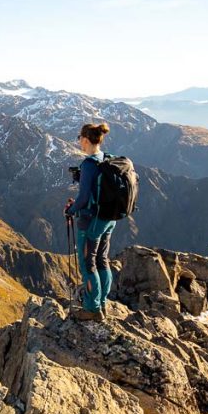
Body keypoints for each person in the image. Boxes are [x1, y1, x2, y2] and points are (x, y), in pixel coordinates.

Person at [64, 122, 116, 321]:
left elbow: (84, 198)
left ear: (85, 139)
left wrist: (71, 209)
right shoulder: (105, 158)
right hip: (109, 219)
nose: (79, 142)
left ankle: (92, 309)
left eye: (79, 138)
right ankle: (102, 303)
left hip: (92, 221)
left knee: (88, 264)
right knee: (102, 260)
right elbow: (97, 188)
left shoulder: (88, 164)